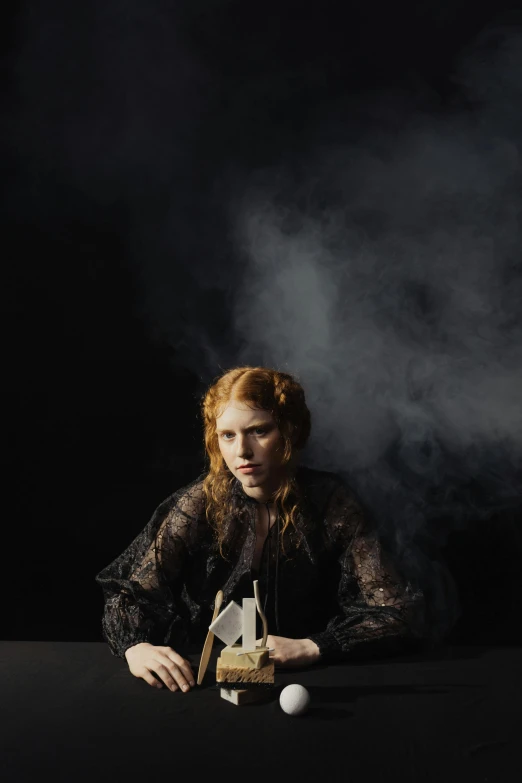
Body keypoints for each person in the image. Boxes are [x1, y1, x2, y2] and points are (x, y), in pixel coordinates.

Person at [95, 365, 440, 694]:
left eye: (259, 431)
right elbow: (131, 592)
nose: (242, 451)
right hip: (207, 682)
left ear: (289, 431)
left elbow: (399, 612)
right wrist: (136, 647)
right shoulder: (201, 502)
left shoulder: (333, 502)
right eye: (227, 436)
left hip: (313, 681)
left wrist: (313, 646)